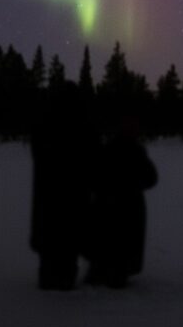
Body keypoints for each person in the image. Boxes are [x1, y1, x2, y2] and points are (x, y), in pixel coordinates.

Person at [29, 83, 100, 290]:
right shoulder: (82, 128)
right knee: (66, 254)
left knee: (53, 256)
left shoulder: (45, 127)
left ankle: (52, 282)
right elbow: (94, 163)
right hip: (70, 207)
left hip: (51, 208)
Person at [86, 116, 158, 288]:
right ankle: (112, 274)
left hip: (115, 204)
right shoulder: (127, 150)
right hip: (121, 205)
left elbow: (151, 178)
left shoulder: (111, 149)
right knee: (118, 241)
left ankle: (106, 272)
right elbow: (151, 178)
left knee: (112, 240)